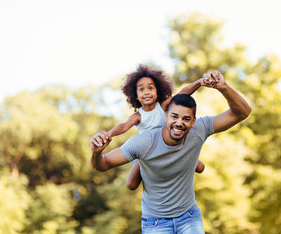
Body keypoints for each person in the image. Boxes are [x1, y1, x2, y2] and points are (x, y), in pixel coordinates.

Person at [90, 70, 251, 234]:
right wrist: (97, 152)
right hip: (155, 223)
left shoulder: (199, 128)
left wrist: (223, 87)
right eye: (174, 116)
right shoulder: (143, 141)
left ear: (193, 121)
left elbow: (242, 112)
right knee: (131, 183)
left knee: (200, 167)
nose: (179, 123)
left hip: (189, 217)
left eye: (186, 119)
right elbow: (103, 164)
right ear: (165, 116)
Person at [107, 64, 205, 190]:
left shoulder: (163, 106)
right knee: (131, 184)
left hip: (168, 145)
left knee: (200, 168)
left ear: (157, 92)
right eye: (141, 89)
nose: (146, 92)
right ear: (136, 95)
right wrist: (109, 134)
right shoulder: (138, 116)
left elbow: (183, 93)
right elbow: (124, 126)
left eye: (150, 88)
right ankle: (147, 166)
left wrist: (200, 82)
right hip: (147, 149)